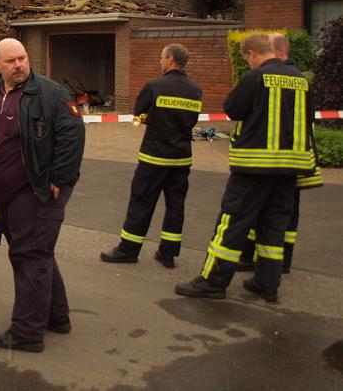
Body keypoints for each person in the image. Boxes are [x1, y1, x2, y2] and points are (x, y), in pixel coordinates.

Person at [175, 34, 317, 303]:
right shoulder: (301, 80)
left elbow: (233, 109)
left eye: (246, 58)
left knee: (232, 223)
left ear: (251, 53)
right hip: (290, 169)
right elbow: (308, 118)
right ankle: (267, 283)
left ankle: (213, 281)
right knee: (273, 225)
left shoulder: (255, 78)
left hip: (254, 166)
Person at [0, 38, 85, 353]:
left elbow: (73, 133)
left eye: (22, 58)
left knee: (30, 255)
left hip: (37, 190)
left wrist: (59, 178)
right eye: (11, 61)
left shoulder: (50, 94)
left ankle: (27, 331)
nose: (19, 65)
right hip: (6, 192)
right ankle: (56, 316)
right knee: (36, 253)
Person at [100, 44, 202, 268]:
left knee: (141, 202)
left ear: (170, 59)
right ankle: (168, 253)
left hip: (154, 157)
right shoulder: (195, 89)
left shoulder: (155, 86)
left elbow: (139, 113)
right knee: (176, 204)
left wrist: (152, 117)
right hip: (182, 158)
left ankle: (128, 250)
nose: (160, 61)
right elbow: (192, 120)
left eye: (161, 58)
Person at [235, 32, 322, 274]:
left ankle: (275, 263)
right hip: (296, 160)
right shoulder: (300, 80)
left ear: (280, 52)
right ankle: (272, 266)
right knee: (279, 216)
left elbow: (237, 109)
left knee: (277, 216)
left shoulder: (263, 77)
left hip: (271, 160)